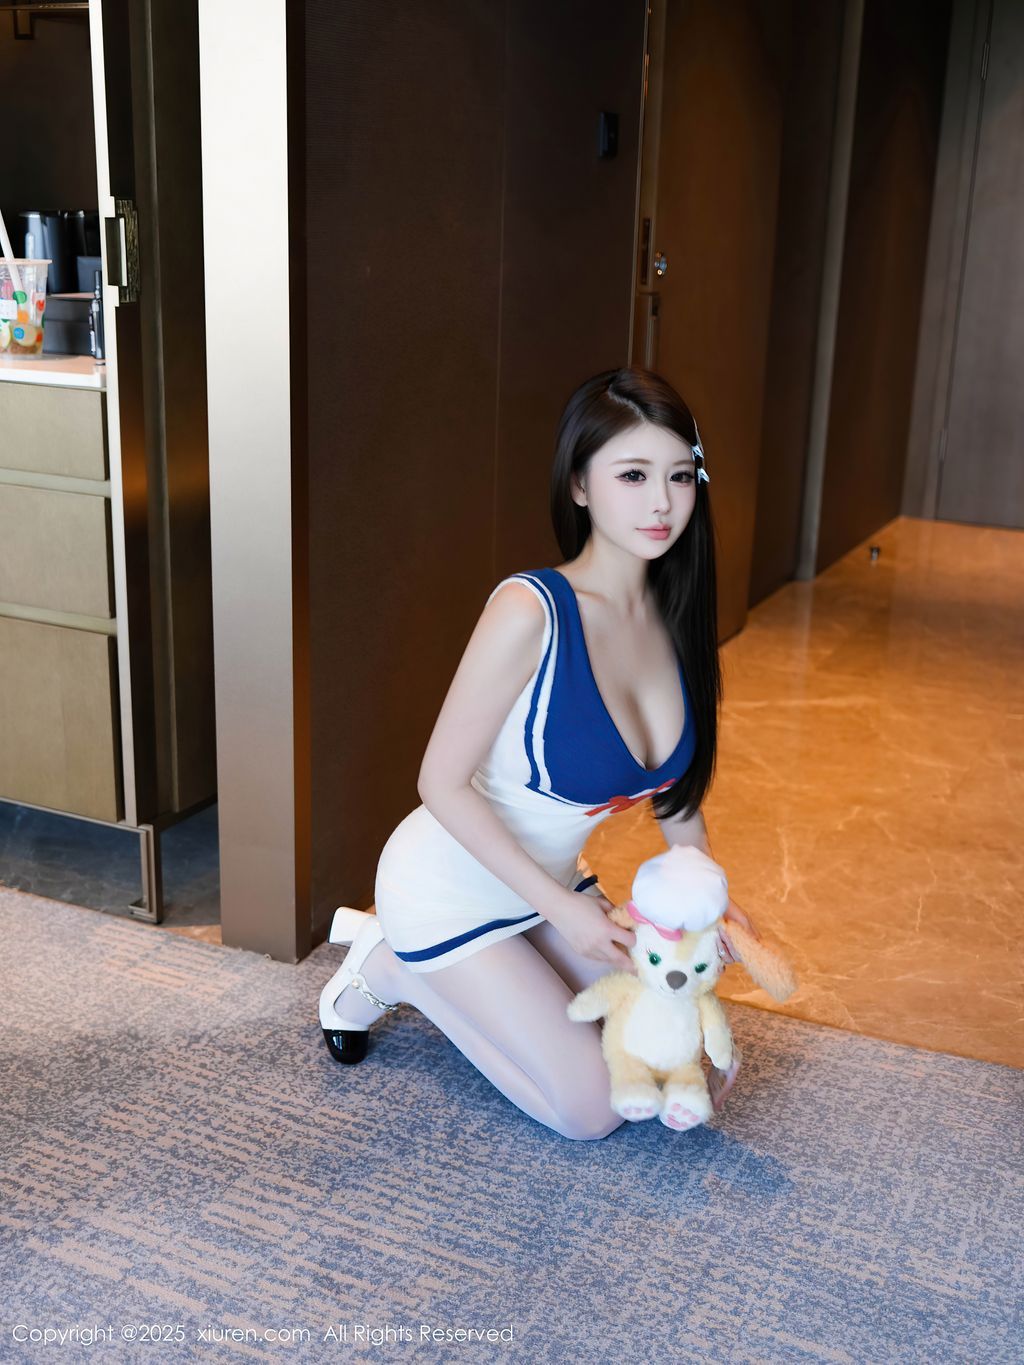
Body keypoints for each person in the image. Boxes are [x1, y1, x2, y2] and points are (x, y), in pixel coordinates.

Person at [317, 365, 762, 1139]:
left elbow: (676, 796)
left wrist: (710, 901)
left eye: (679, 475)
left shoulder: (675, 616)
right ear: (580, 485)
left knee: (679, 1060)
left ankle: (510, 957)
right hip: (449, 890)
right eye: (633, 475)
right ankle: (395, 964)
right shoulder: (531, 610)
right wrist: (566, 914)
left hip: (551, 884)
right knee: (593, 1109)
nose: (661, 502)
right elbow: (440, 781)